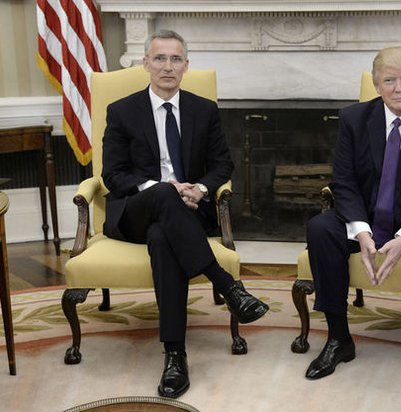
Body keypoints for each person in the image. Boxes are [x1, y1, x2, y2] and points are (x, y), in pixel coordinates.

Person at [101, 29, 269, 399]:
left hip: (186, 213)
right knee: (163, 193)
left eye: (175, 59)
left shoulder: (203, 110)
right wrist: (163, 189)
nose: (167, 66)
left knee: (163, 238)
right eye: (159, 58)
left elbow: (222, 164)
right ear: (146, 63)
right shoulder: (122, 111)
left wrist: (200, 189)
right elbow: (113, 175)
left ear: (186, 66)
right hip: (134, 212)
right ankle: (227, 285)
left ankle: (175, 355)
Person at [304, 46, 401, 410]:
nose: (399, 87)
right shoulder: (354, 119)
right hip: (368, 216)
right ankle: (339, 339)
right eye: (389, 80)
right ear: (376, 85)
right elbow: (343, 181)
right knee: (321, 228)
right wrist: (361, 231)